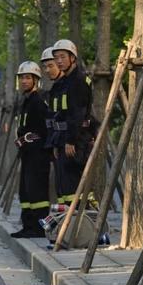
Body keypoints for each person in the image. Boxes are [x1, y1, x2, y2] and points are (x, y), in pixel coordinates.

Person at [48, 39, 95, 206]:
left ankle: (83, 225)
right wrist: (56, 141)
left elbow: (77, 114)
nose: (59, 61)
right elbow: (61, 115)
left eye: (62, 57)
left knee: (74, 186)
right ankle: (69, 224)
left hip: (76, 140)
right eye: (56, 58)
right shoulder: (65, 81)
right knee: (64, 187)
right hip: (63, 139)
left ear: (72, 58)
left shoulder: (79, 80)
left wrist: (70, 141)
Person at [10, 61, 50, 238]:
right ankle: (28, 225)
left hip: (38, 153)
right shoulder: (25, 101)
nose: (24, 81)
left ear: (36, 80)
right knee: (25, 191)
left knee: (37, 192)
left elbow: (44, 128)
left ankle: (40, 227)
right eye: (22, 78)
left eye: (28, 78)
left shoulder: (38, 101)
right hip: (27, 153)